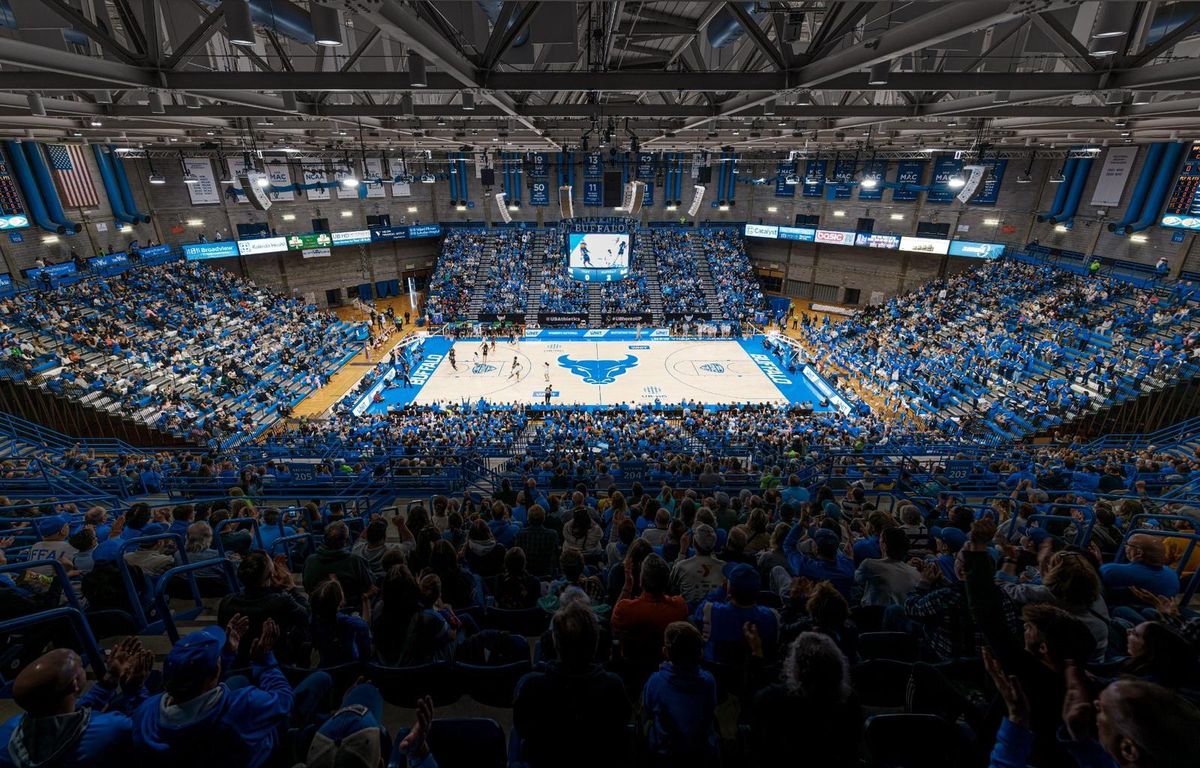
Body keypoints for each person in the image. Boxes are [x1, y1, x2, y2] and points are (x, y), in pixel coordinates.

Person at [132, 617, 328, 768]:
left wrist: (226, 655)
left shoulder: (145, 713)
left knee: (238, 680)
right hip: (263, 753)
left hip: (204, 754)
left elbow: (202, 682)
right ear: (213, 674)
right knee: (321, 679)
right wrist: (265, 662)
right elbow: (284, 700)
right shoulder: (242, 705)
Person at [0, 638, 153, 768]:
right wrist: (136, 691)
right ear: (75, 684)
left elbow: (69, 713)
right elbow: (149, 730)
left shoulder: (8, 731)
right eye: (79, 667)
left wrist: (110, 679)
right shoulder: (113, 727)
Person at [512, 603, 631, 768]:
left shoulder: (531, 686)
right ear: (595, 642)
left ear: (555, 643)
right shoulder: (613, 685)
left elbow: (522, 728)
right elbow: (621, 726)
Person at [750, 632, 863, 768]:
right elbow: (852, 750)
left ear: (796, 667)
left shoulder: (771, 698)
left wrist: (756, 653)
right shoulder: (849, 700)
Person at [641, 622, 720, 767]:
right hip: (702, 754)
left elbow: (648, 707)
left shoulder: (656, 680)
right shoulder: (709, 681)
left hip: (664, 753)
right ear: (700, 653)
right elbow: (711, 708)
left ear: (666, 651)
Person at [217, 551, 310, 668]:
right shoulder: (282, 601)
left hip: (240, 663)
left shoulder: (226, 602)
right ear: (271, 575)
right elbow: (307, 616)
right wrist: (291, 589)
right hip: (276, 661)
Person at [611, 554, 689, 674]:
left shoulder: (626, 609)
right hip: (665, 668)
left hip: (633, 671)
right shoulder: (679, 606)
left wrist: (627, 585)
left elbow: (614, 622)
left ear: (641, 581)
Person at [303, 522, 375, 604]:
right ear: (346, 541)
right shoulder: (355, 561)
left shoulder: (309, 560)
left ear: (324, 538)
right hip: (351, 609)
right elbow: (370, 585)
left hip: (317, 609)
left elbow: (306, 586)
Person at [854, 527, 921, 606]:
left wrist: (849, 558)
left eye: (880, 539)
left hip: (875, 613)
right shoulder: (915, 572)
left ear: (884, 545)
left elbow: (857, 579)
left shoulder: (869, 564)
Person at [670, 524, 725, 605]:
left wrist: (682, 552)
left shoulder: (682, 566)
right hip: (713, 613)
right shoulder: (724, 567)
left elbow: (671, 581)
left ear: (694, 543)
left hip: (688, 614)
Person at [514, 504, 558, 577]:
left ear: (528, 518)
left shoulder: (520, 534)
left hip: (527, 574)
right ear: (543, 518)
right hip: (546, 573)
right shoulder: (552, 534)